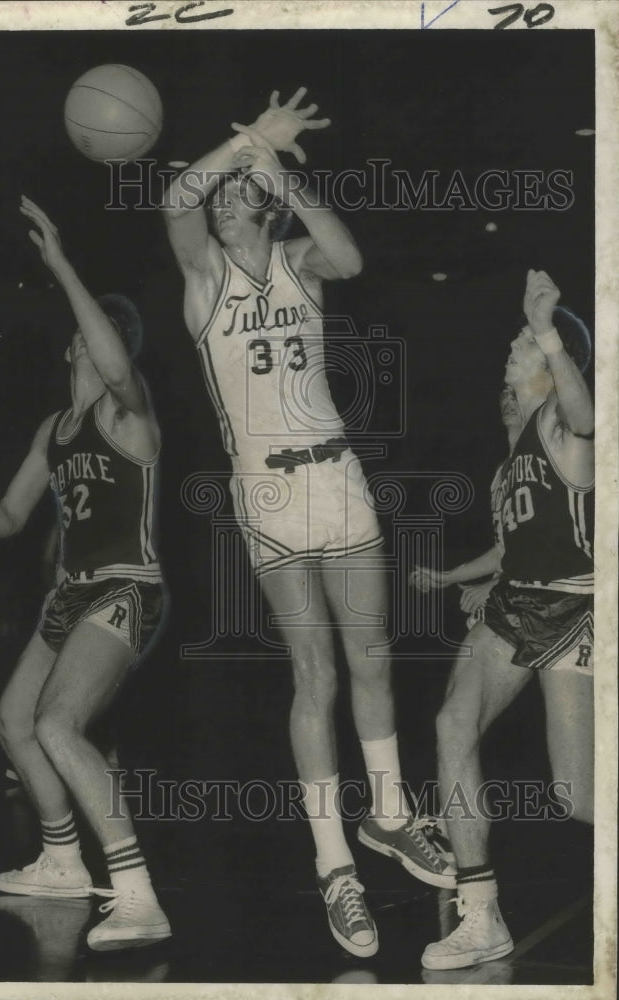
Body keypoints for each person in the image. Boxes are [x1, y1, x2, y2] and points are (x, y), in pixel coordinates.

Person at [161, 88, 454, 958]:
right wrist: (250, 137)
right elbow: (175, 197)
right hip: (270, 492)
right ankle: (335, 867)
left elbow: (351, 258)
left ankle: (391, 816)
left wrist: (281, 173)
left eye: (239, 187)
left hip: (336, 470)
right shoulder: (203, 277)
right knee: (314, 671)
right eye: (226, 190)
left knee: (374, 658)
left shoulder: (295, 261)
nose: (229, 195)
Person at [0, 196, 170, 951]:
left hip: (129, 587)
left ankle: (137, 895)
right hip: (69, 595)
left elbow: (116, 364)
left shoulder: (132, 416)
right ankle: (64, 861)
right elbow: (9, 517)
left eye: (96, 342)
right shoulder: (54, 432)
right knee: (13, 723)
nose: (86, 352)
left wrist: (62, 264)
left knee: (58, 724)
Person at [422, 270, 594, 971]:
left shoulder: (564, 426)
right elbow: (508, 547)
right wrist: (460, 578)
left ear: (557, 366)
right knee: (450, 724)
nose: (514, 345)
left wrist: (548, 330)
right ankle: (479, 911)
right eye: (522, 338)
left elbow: (589, 419)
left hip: (573, 606)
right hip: (514, 601)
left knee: (575, 795)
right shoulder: (509, 463)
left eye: (526, 343)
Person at [411, 386, 523, 629]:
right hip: (512, 593)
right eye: (505, 392)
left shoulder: (549, 461)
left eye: (517, 393)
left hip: (545, 599)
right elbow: (505, 549)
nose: (509, 399)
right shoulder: (501, 471)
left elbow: (556, 541)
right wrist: (448, 577)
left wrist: (497, 586)